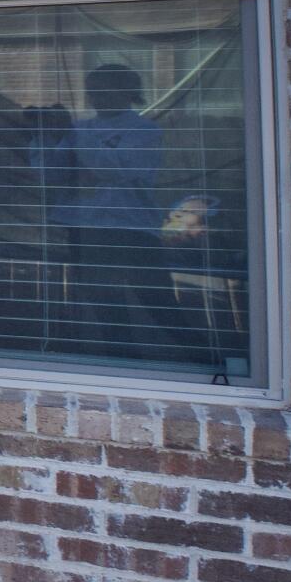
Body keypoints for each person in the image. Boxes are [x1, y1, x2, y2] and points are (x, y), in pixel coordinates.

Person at [56, 62, 185, 365]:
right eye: (94, 89)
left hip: (131, 229)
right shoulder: (77, 128)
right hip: (86, 229)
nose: (99, 95)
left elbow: (116, 170)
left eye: (107, 88)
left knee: (159, 304)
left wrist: (82, 159)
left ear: (129, 92)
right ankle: (123, 364)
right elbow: (49, 168)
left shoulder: (144, 131)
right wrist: (46, 133)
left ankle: (208, 363)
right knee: (106, 308)